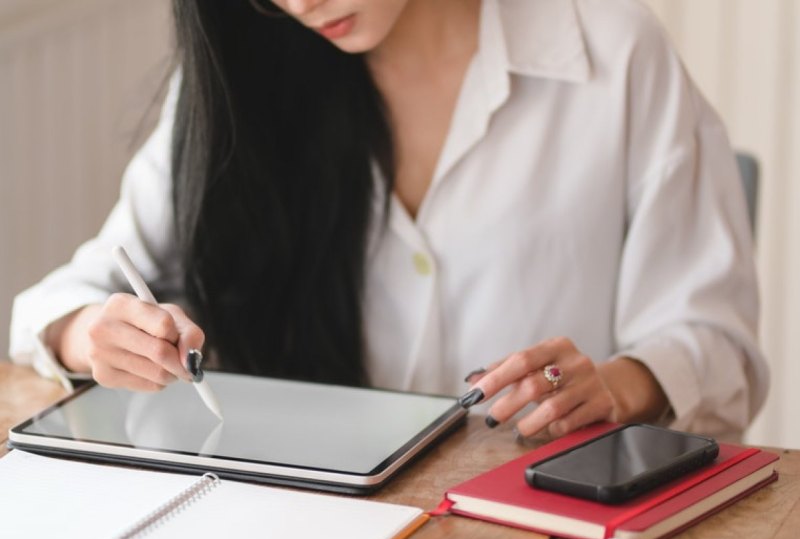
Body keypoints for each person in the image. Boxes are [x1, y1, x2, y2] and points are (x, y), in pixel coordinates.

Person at [10, 0, 768, 442]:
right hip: (303, 533)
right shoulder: (242, 77)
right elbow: (63, 299)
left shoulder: (614, 54)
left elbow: (719, 347)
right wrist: (90, 334)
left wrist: (618, 385)